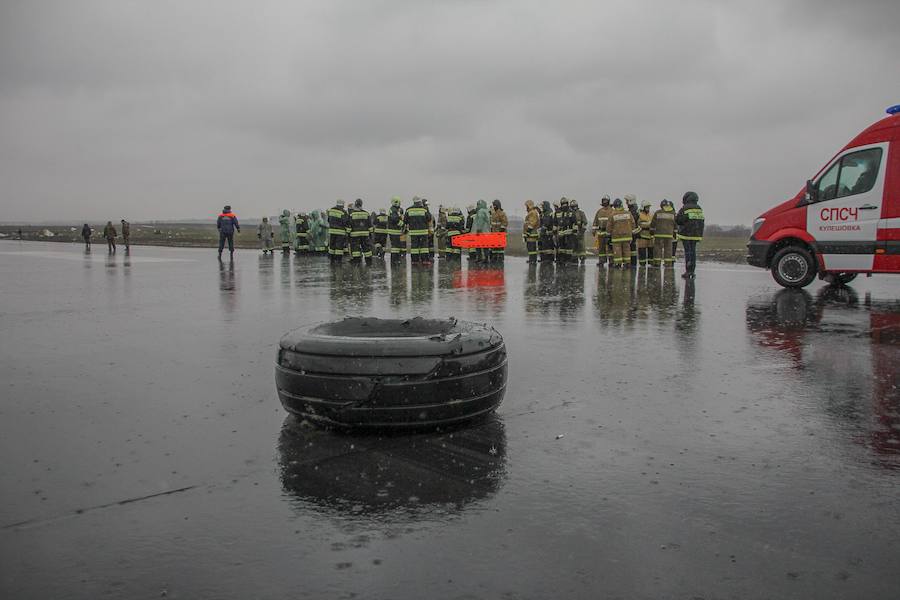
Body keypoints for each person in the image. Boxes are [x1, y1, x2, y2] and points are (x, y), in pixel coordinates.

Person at [675, 191, 705, 279]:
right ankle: (692, 271)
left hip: (687, 234)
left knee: (688, 252)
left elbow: (678, 220)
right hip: (696, 234)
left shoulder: (685, 208)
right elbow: (702, 221)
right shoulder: (699, 208)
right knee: (693, 252)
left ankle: (688, 271)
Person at [606, 198, 635, 269]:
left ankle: (618, 264)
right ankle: (627, 263)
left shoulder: (612, 215)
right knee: (626, 250)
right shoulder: (628, 213)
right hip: (627, 236)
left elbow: (609, 227)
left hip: (616, 237)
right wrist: (631, 231)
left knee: (617, 250)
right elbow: (633, 223)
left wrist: (608, 235)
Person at [650, 199, 677, 267]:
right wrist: (674, 233)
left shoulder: (657, 212)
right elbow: (675, 225)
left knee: (657, 248)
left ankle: (657, 262)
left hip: (659, 234)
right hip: (669, 235)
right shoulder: (673, 213)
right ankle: (668, 263)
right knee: (668, 249)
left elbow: (653, 223)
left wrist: (652, 232)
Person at [405, 197, 429, 264]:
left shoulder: (408, 210)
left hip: (413, 232)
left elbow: (405, 220)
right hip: (423, 232)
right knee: (424, 247)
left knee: (414, 247)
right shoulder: (424, 209)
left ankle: (414, 260)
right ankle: (425, 260)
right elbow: (429, 218)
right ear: (420, 202)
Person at [349, 198, 373, 263]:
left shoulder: (352, 214)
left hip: (355, 235)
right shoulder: (366, 213)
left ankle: (357, 261)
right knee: (366, 248)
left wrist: (348, 233)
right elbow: (370, 225)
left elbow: (349, 225)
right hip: (365, 234)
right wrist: (371, 233)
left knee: (355, 248)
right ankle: (369, 261)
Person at [592, 196, 613, 267]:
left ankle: (611, 261)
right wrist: (594, 230)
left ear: (608, 201)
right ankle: (602, 260)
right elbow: (595, 221)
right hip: (601, 232)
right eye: (603, 201)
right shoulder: (599, 211)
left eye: (606, 201)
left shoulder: (612, 211)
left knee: (610, 248)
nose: (604, 202)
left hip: (609, 233)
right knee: (601, 248)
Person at [472, 199, 492, 263]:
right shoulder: (486, 211)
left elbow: (480, 220)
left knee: (478, 245)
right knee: (485, 246)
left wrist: (478, 229)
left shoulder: (480, 211)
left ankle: (480, 258)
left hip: (481, 231)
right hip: (486, 232)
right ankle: (486, 258)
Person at [553, 198, 573, 263]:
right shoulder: (557, 213)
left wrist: (575, 231)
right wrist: (554, 230)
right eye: (563, 204)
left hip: (569, 233)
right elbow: (555, 223)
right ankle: (562, 259)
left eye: (565, 204)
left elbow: (574, 222)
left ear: (567, 204)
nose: (564, 205)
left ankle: (568, 260)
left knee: (568, 248)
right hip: (561, 233)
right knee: (561, 247)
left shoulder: (571, 212)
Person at [387, 197, 406, 262]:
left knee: (396, 247)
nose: (400, 204)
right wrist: (402, 224)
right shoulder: (393, 209)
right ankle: (394, 261)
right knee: (395, 247)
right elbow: (395, 219)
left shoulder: (395, 209)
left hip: (395, 231)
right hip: (394, 231)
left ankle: (396, 260)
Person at [624, 194, 640, 267]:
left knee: (632, 248)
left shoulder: (633, 211)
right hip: (633, 231)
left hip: (632, 232)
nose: (626, 203)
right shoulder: (634, 209)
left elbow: (631, 221)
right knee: (632, 247)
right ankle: (632, 263)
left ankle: (632, 263)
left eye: (627, 201)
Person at [637, 202, 654, 266]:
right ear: (643, 207)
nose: (648, 209)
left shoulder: (651, 215)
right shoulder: (640, 215)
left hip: (650, 237)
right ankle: (642, 266)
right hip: (642, 237)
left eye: (648, 207)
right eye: (647, 207)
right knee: (642, 253)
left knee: (651, 253)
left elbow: (653, 224)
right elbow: (639, 224)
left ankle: (651, 265)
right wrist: (648, 225)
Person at [571, 199, 587, 264]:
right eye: (573, 206)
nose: (574, 208)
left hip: (580, 232)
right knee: (573, 246)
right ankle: (574, 258)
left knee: (581, 245)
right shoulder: (570, 214)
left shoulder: (581, 213)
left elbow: (585, 222)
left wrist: (582, 231)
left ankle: (582, 257)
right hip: (572, 233)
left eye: (575, 206)